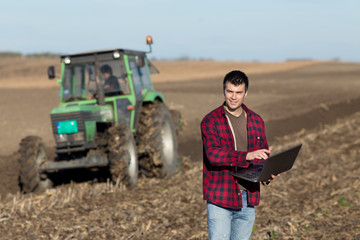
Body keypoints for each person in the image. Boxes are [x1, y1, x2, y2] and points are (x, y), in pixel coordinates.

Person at [201, 70, 276, 240]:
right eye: (230, 91)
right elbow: (214, 155)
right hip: (220, 197)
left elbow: (261, 158)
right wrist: (246, 156)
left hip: (247, 198)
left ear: (245, 93)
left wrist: (267, 174)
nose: (234, 97)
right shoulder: (211, 120)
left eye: (238, 92)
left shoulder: (257, 121)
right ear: (224, 91)